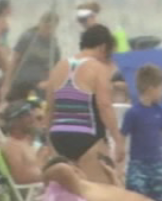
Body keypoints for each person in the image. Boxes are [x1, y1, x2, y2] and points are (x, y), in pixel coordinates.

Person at [45, 25, 122, 184]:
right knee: (99, 192)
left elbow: (49, 109)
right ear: (103, 47)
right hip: (87, 136)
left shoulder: (59, 66)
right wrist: (118, 140)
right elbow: (104, 106)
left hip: (59, 136)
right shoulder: (97, 68)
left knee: (68, 193)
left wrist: (48, 140)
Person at [121, 64, 162, 201]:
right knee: (136, 198)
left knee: (160, 200)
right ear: (151, 89)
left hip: (157, 165)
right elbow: (122, 136)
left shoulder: (159, 112)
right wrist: (120, 162)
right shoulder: (133, 113)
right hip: (138, 165)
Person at [4, 12, 62, 97]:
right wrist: (6, 85)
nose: (48, 30)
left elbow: (54, 70)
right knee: (15, 106)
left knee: (35, 105)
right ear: (40, 23)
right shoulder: (28, 37)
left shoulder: (54, 46)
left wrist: (48, 83)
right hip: (21, 84)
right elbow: (14, 61)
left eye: (51, 28)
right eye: (46, 26)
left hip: (39, 88)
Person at [0, 100, 52, 187]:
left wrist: (41, 158)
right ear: (16, 121)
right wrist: (50, 175)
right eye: (27, 115)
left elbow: (34, 169)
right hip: (31, 193)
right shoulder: (11, 146)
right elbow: (20, 179)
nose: (32, 119)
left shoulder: (24, 142)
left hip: (38, 188)